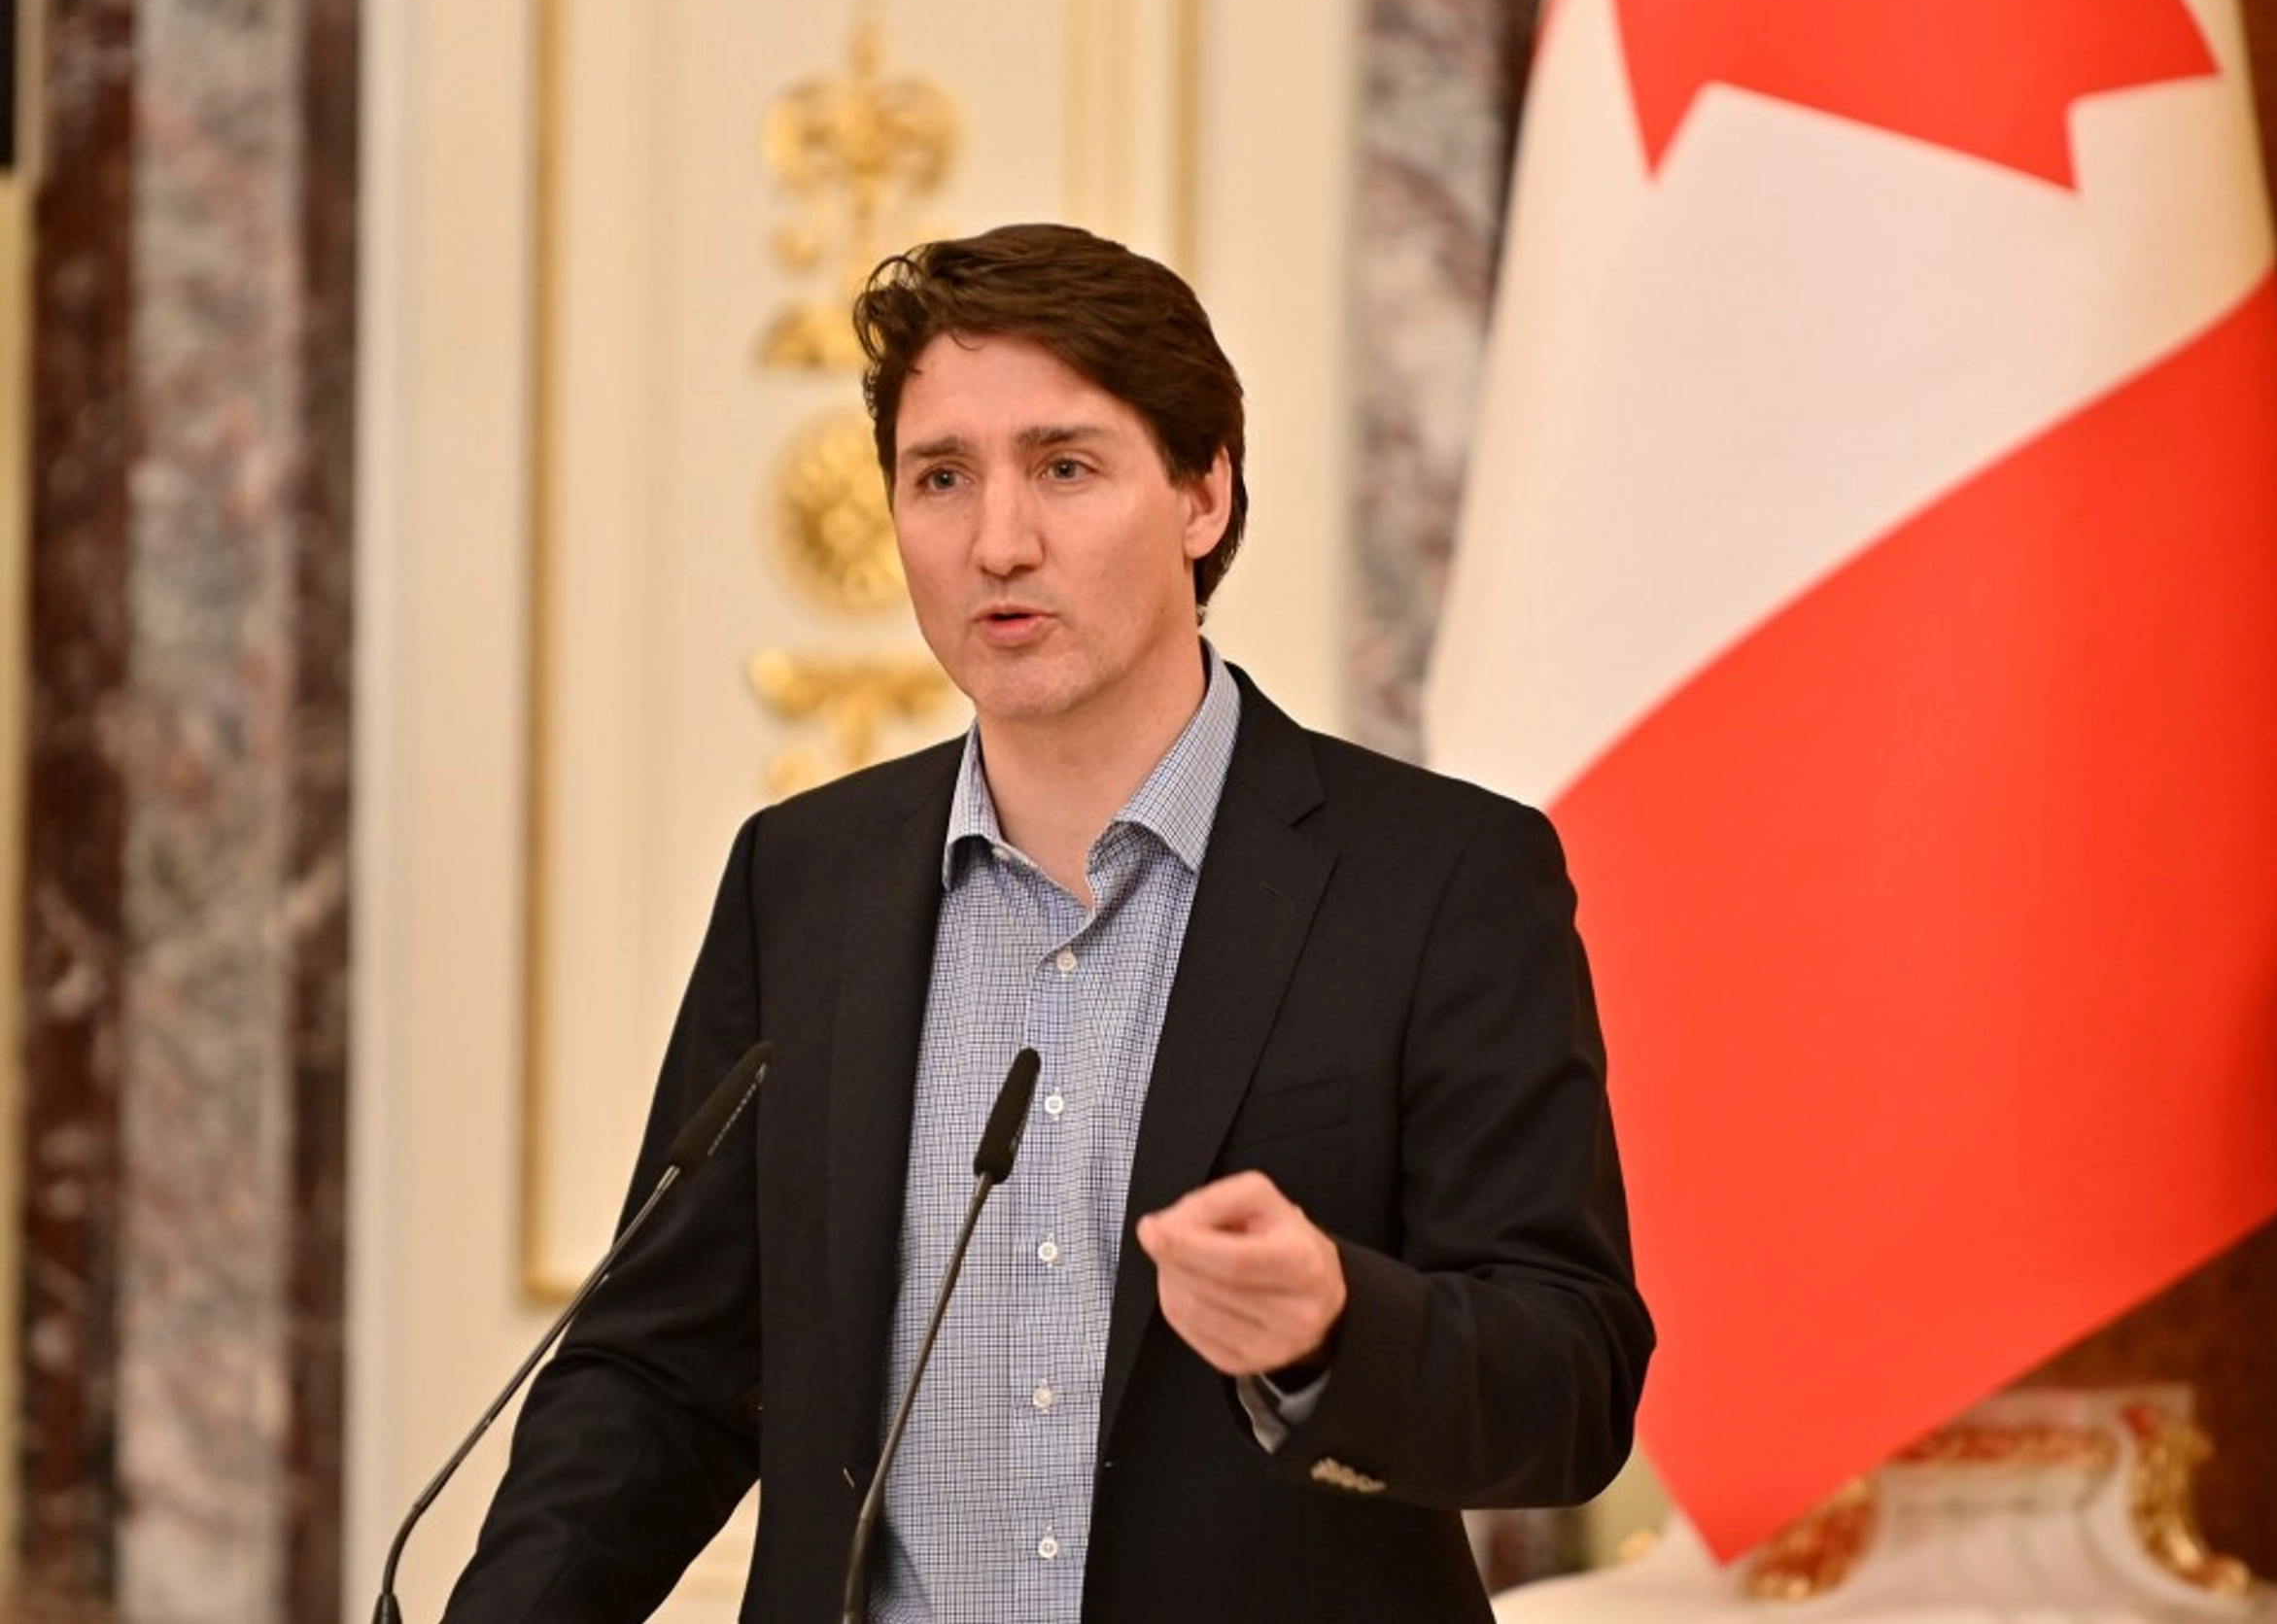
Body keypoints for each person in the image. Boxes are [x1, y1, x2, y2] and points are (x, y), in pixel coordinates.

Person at [443, 222, 1652, 1623]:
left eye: (1064, 468)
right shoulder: (806, 881)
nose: (996, 542)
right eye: (940, 477)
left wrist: (1335, 1328)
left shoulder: (1441, 879)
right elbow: (662, 1374)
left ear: (1205, 493)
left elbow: (1574, 1382)